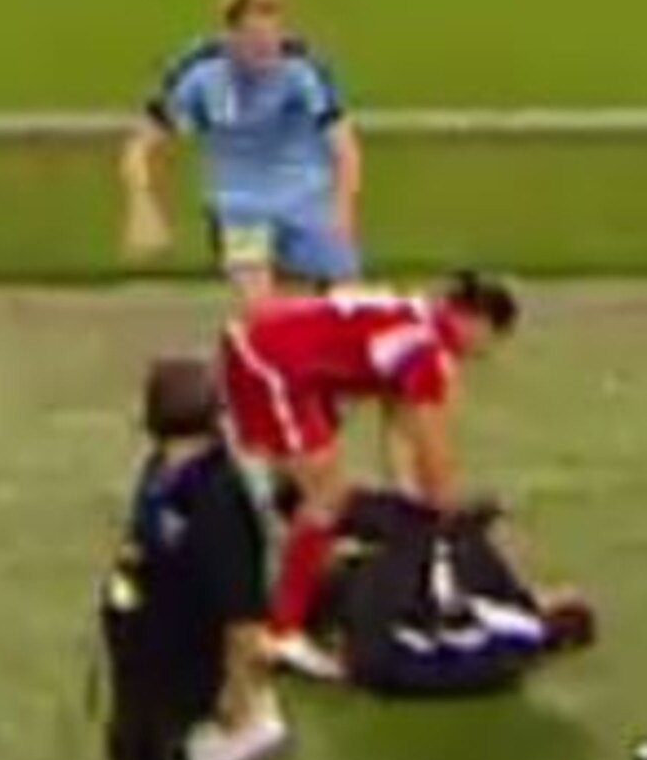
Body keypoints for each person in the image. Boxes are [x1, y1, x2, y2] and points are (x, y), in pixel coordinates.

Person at [220, 270, 520, 677]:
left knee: (312, 482)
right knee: (327, 496)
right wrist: (443, 504)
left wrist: (410, 495)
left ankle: (294, 579)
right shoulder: (428, 350)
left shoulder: (415, 321)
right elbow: (430, 442)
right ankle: (282, 631)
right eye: (490, 339)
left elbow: (397, 424)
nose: (482, 352)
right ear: (479, 321)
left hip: (266, 352)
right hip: (270, 364)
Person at [101, 358, 271, 760]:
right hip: (141, 675)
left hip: (189, 681)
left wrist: (238, 690)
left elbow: (242, 611)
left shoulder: (218, 497)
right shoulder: (160, 472)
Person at [121, 0, 362, 306]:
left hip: (305, 202)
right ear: (231, 34)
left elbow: (346, 150)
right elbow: (140, 146)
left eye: (272, 39)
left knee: (347, 306)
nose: (266, 52)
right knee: (268, 318)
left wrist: (341, 212)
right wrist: (143, 203)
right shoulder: (199, 71)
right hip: (239, 210)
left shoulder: (303, 68)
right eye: (254, 43)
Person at [304, 490, 596, 695]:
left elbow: (451, 597)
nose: (560, 587)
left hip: (384, 657)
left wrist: (457, 529)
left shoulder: (514, 623)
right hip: (394, 653)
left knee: (412, 538)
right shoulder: (512, 643)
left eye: (565, 594)